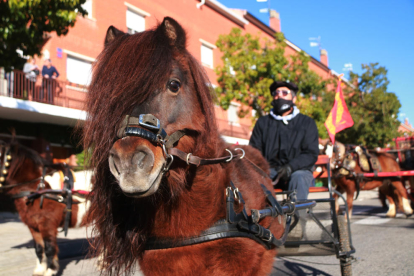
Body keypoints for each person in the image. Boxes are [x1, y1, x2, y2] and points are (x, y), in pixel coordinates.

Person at [249, 81, 319, 202]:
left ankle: (297, 218)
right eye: (276, 93)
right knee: (255, 177)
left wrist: (291, 167)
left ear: (294, 98)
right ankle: (261, 217)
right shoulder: (262, 123)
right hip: (270, 171)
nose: (279, 95)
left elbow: (311, 153)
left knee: (299, 178)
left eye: (284, 93)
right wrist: (262, 169)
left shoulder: (307, 123)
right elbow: (254, 151)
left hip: (298, 170)